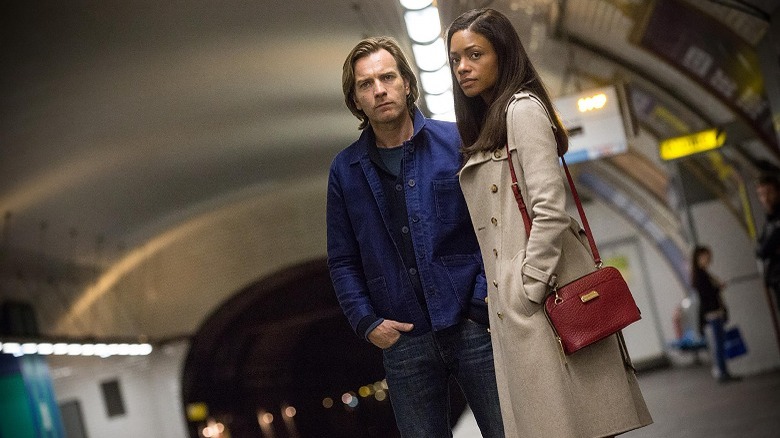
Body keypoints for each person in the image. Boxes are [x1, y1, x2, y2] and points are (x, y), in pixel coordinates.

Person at [446, 8, 652, 437]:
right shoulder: (487, 122)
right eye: (455, 59)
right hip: (520, 312)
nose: (463, 67)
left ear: (501, 54)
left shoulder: (522, 111)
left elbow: (549, 207)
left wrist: (528, 285)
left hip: (541, 300)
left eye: (475, 54)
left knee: (575, 425)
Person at [326, 36, 504, 437]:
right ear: (355, 100)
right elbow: (342, 259)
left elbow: (491, 225)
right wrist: (367, 322)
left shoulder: (456, 141)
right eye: (365, 84)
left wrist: (480, 300)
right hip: (404, 341)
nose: (379, 90)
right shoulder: (345, 171)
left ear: (407, 83)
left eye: (387, 77)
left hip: (473, 325)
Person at [690, 245, 739, 382]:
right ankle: (722, 372)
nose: (709, 258)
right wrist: (717, 288)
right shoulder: (701, 275)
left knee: (719, 343)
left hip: (713, 313)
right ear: (699, 257)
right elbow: (708, 295)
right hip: (713, 313)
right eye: (706, 256)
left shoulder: (701, 274)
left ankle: (723, 371)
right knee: (719, 344)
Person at [756, 173, 780, 314]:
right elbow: (760, 250)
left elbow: (766, 248)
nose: (765, 199)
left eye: (769, 193)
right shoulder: (769, 222)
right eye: (761, 195)